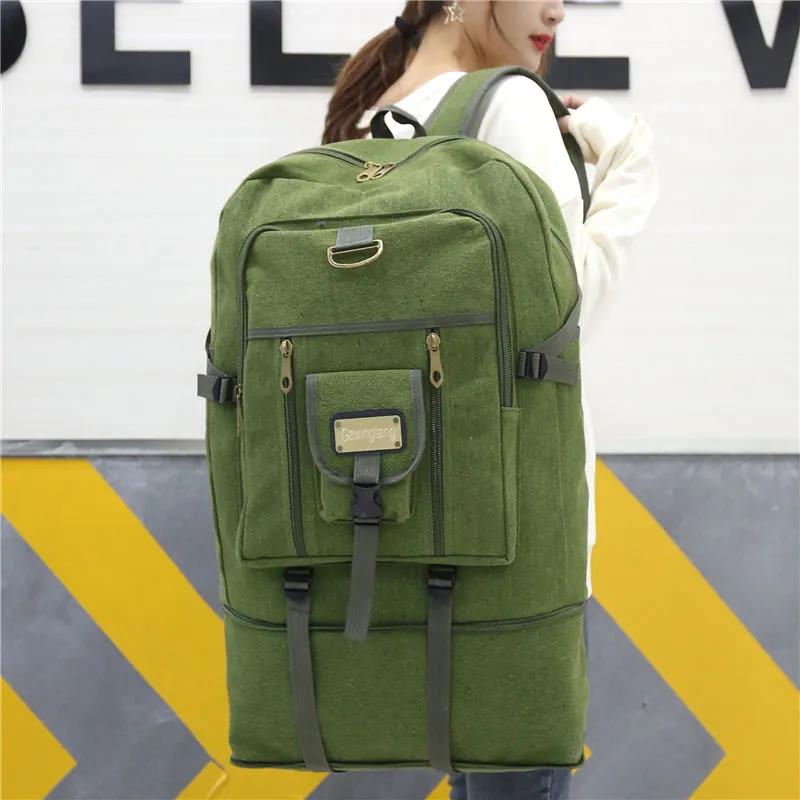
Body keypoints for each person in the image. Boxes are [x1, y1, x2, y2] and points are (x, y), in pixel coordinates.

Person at [322, 1, 659, 797]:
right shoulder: (506, 105)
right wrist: (629, 161)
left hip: (414, 517)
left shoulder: (375, 110)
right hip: (517, 540)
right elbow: (565, 311)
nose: (557, 10)